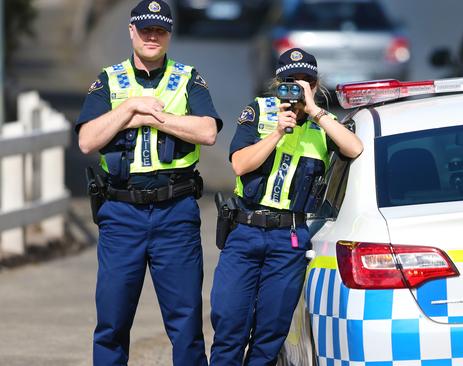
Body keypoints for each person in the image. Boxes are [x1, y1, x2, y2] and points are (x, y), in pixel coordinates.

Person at [76, 1, 222, 365]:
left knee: (187, 325)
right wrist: (130, 108)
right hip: (121, 214)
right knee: (111, 322)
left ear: (169, 34)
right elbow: (86, 140)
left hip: (176, 213)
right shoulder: (109, 80)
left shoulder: (189, 78)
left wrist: (155, 118)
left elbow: (207, 131)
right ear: (131, 31)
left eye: (159, 30)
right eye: (145, 29)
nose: (152, 36)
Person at [209, 47, 363, 365]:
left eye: (304, 81)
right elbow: (240, 164)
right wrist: (278, 131)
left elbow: (354, 147)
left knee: (271, 332)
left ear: (315, 86)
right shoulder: (260, 111)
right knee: (230, 325)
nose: (296, 88)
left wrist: (315, 110)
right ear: (277, 85)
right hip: (245, 230)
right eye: (289, 82)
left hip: (288, 238)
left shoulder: (324, 125)